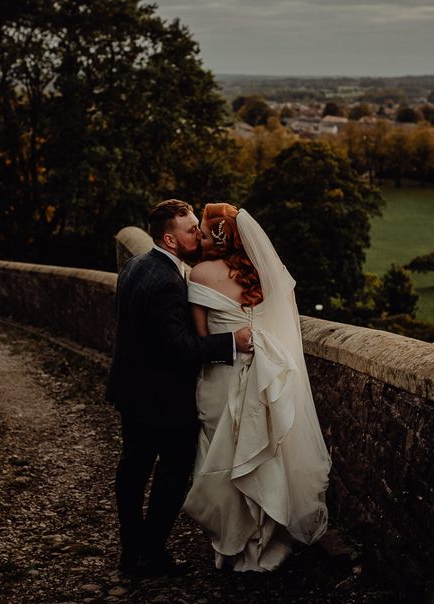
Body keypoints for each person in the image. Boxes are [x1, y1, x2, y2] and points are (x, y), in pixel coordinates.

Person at [108, 199, 254, 576]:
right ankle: (152, 553)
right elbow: (178, 349)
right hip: (164, 399)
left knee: (133, 469)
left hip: (131, 391)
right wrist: (230, 343)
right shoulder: (167, 283)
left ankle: (131, 549)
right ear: (171, 241)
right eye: (192, 231)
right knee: (171, 473)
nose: (200, 236)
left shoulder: (135, 267)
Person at [183, 203, 331, 572]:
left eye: (201, 231)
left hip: (221, 376)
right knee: (266, 455)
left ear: (217, 237)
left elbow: (202, 340)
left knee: (225, 456)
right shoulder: (262, 274)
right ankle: (268, 540)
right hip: (268, 377)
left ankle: (233, 544)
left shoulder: (199, 274)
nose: (198, 237)